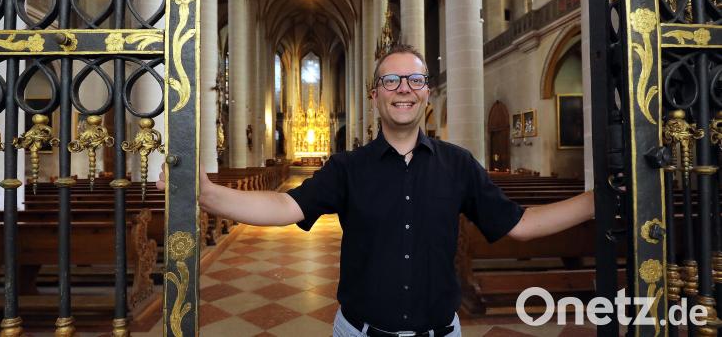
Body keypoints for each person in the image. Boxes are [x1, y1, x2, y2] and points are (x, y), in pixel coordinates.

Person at [158, 44, 595, 337]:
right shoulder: (347, 167)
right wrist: (208, 194)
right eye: (391, 81)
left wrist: (598, 201)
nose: (403, 89)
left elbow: (520, 223)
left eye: (414, 81)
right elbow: (285, 204)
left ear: (427, 92)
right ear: (374, 95)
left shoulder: (458, 164)